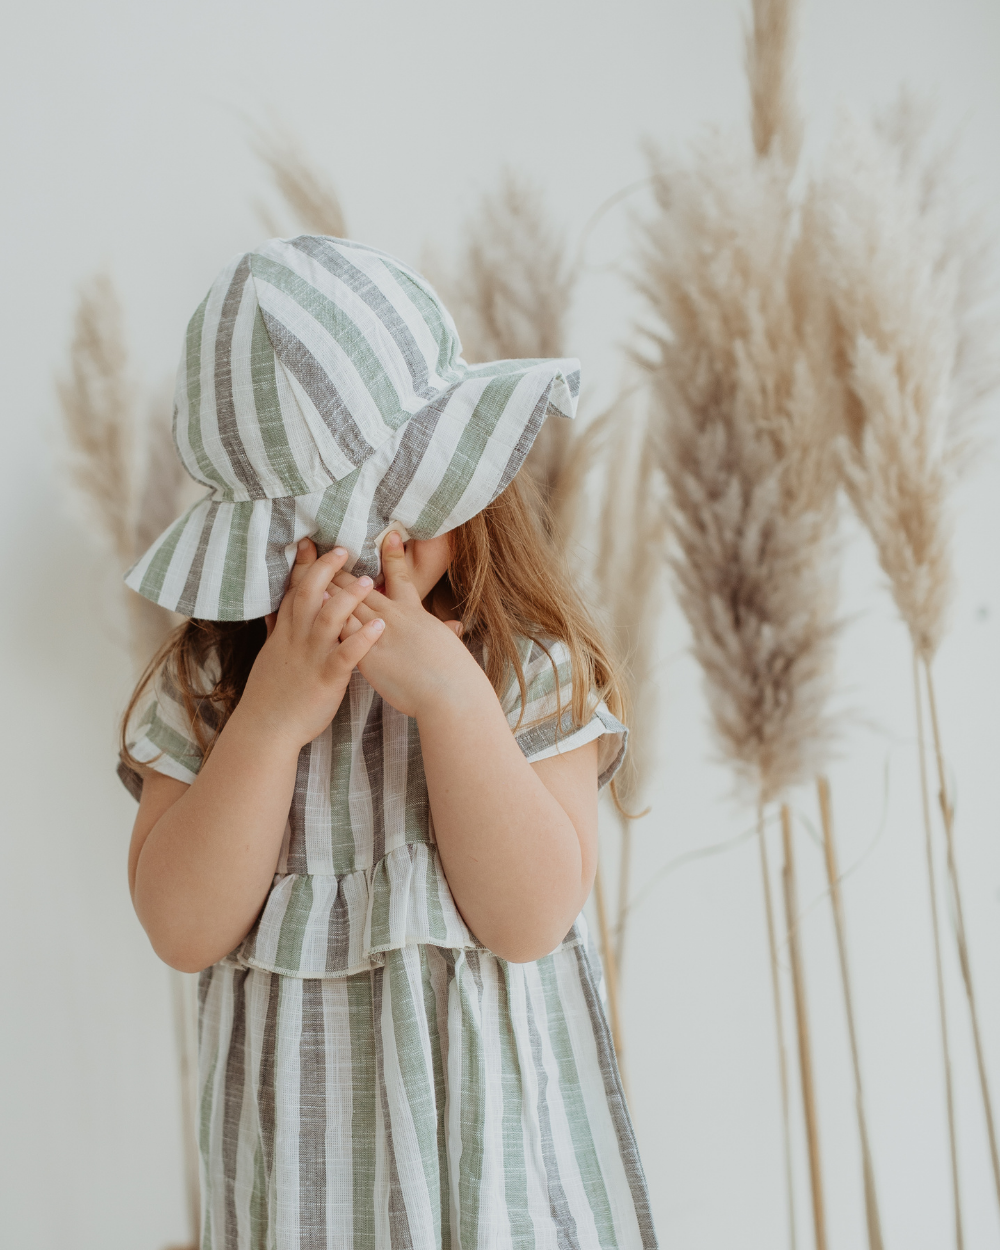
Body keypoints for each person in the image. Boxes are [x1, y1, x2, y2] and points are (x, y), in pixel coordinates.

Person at [119, 235, 657, 1248]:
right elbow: (182, 924)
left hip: (499, 1185)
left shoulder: (520, 665)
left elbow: (532, 913)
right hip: (301, 1194)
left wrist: (454, 700)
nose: (370, 561)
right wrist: (272, 721)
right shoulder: (214, 688)